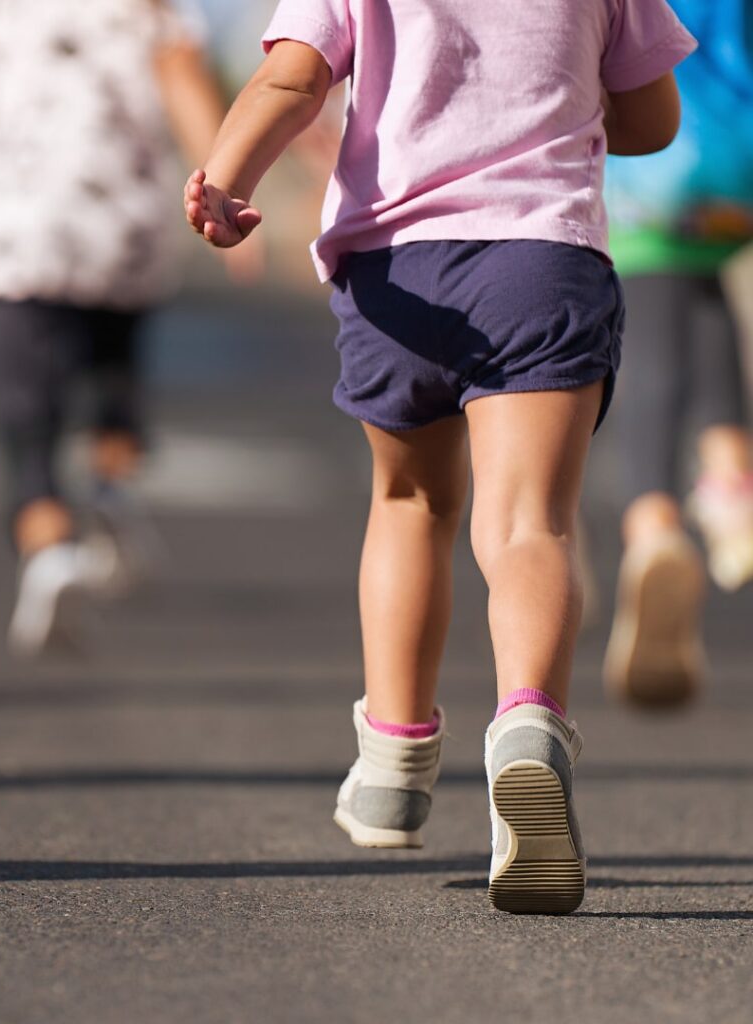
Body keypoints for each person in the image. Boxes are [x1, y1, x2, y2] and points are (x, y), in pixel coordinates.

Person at [185, 0, 695, 913]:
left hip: (398, 271)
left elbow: (292, 78)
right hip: (542, 260)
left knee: (411, 504)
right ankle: (530, 722)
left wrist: (225, 180)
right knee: (529, 522)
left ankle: (393, 760)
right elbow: (652, 122)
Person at [0, 0, 238, 656]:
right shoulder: (150, 8)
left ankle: (50, 549)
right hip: (118, 229)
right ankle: (111, 493)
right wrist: (230, 189)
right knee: (112, 374)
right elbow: (185, 84)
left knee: (24, 410)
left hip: (19, 234)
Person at [602, 0, 753, 707]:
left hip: (654, 165)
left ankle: (655, 523)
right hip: (737, 165)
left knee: (652, 333)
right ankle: (731, 483)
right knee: (705, 282)